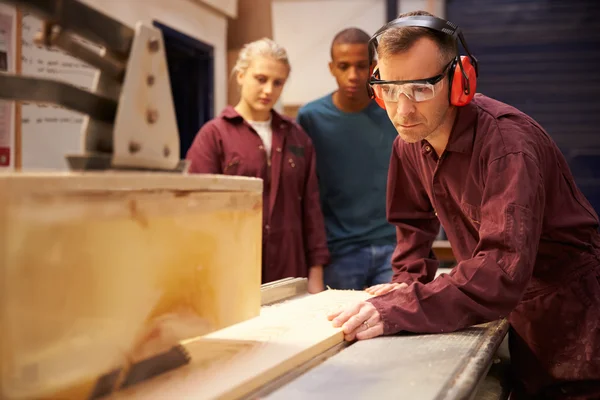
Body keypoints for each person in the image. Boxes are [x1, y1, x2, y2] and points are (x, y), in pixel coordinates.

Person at [327, 11, 600, 399]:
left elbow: (500, 270)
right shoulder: (409, 143)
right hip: (519, 318)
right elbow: (412, 225)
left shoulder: (508, 145)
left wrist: (401, 308)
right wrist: (407, 284)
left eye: (421, 88)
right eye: (389, 88)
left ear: (460, 82)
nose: (402, 111)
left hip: (578, 324)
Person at [186, 38, 330, 293]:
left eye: (278, 82)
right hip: (232, 272)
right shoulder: (213, 135)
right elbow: (196, 212)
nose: (269, 90)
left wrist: (316, 272)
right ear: (241, 75)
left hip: (290, 272)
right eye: (261, 79)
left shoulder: (297, 138)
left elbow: (311, 208)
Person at [296, 28, 398, 290]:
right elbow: (304, 192)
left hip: (393, 247)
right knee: (339, 328)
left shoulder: (396, 112)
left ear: (374, 67)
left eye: (361, 66)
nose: (353, 76)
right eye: (344, 66)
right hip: (339, 251)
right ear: (332, 68)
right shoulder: (311, 118)